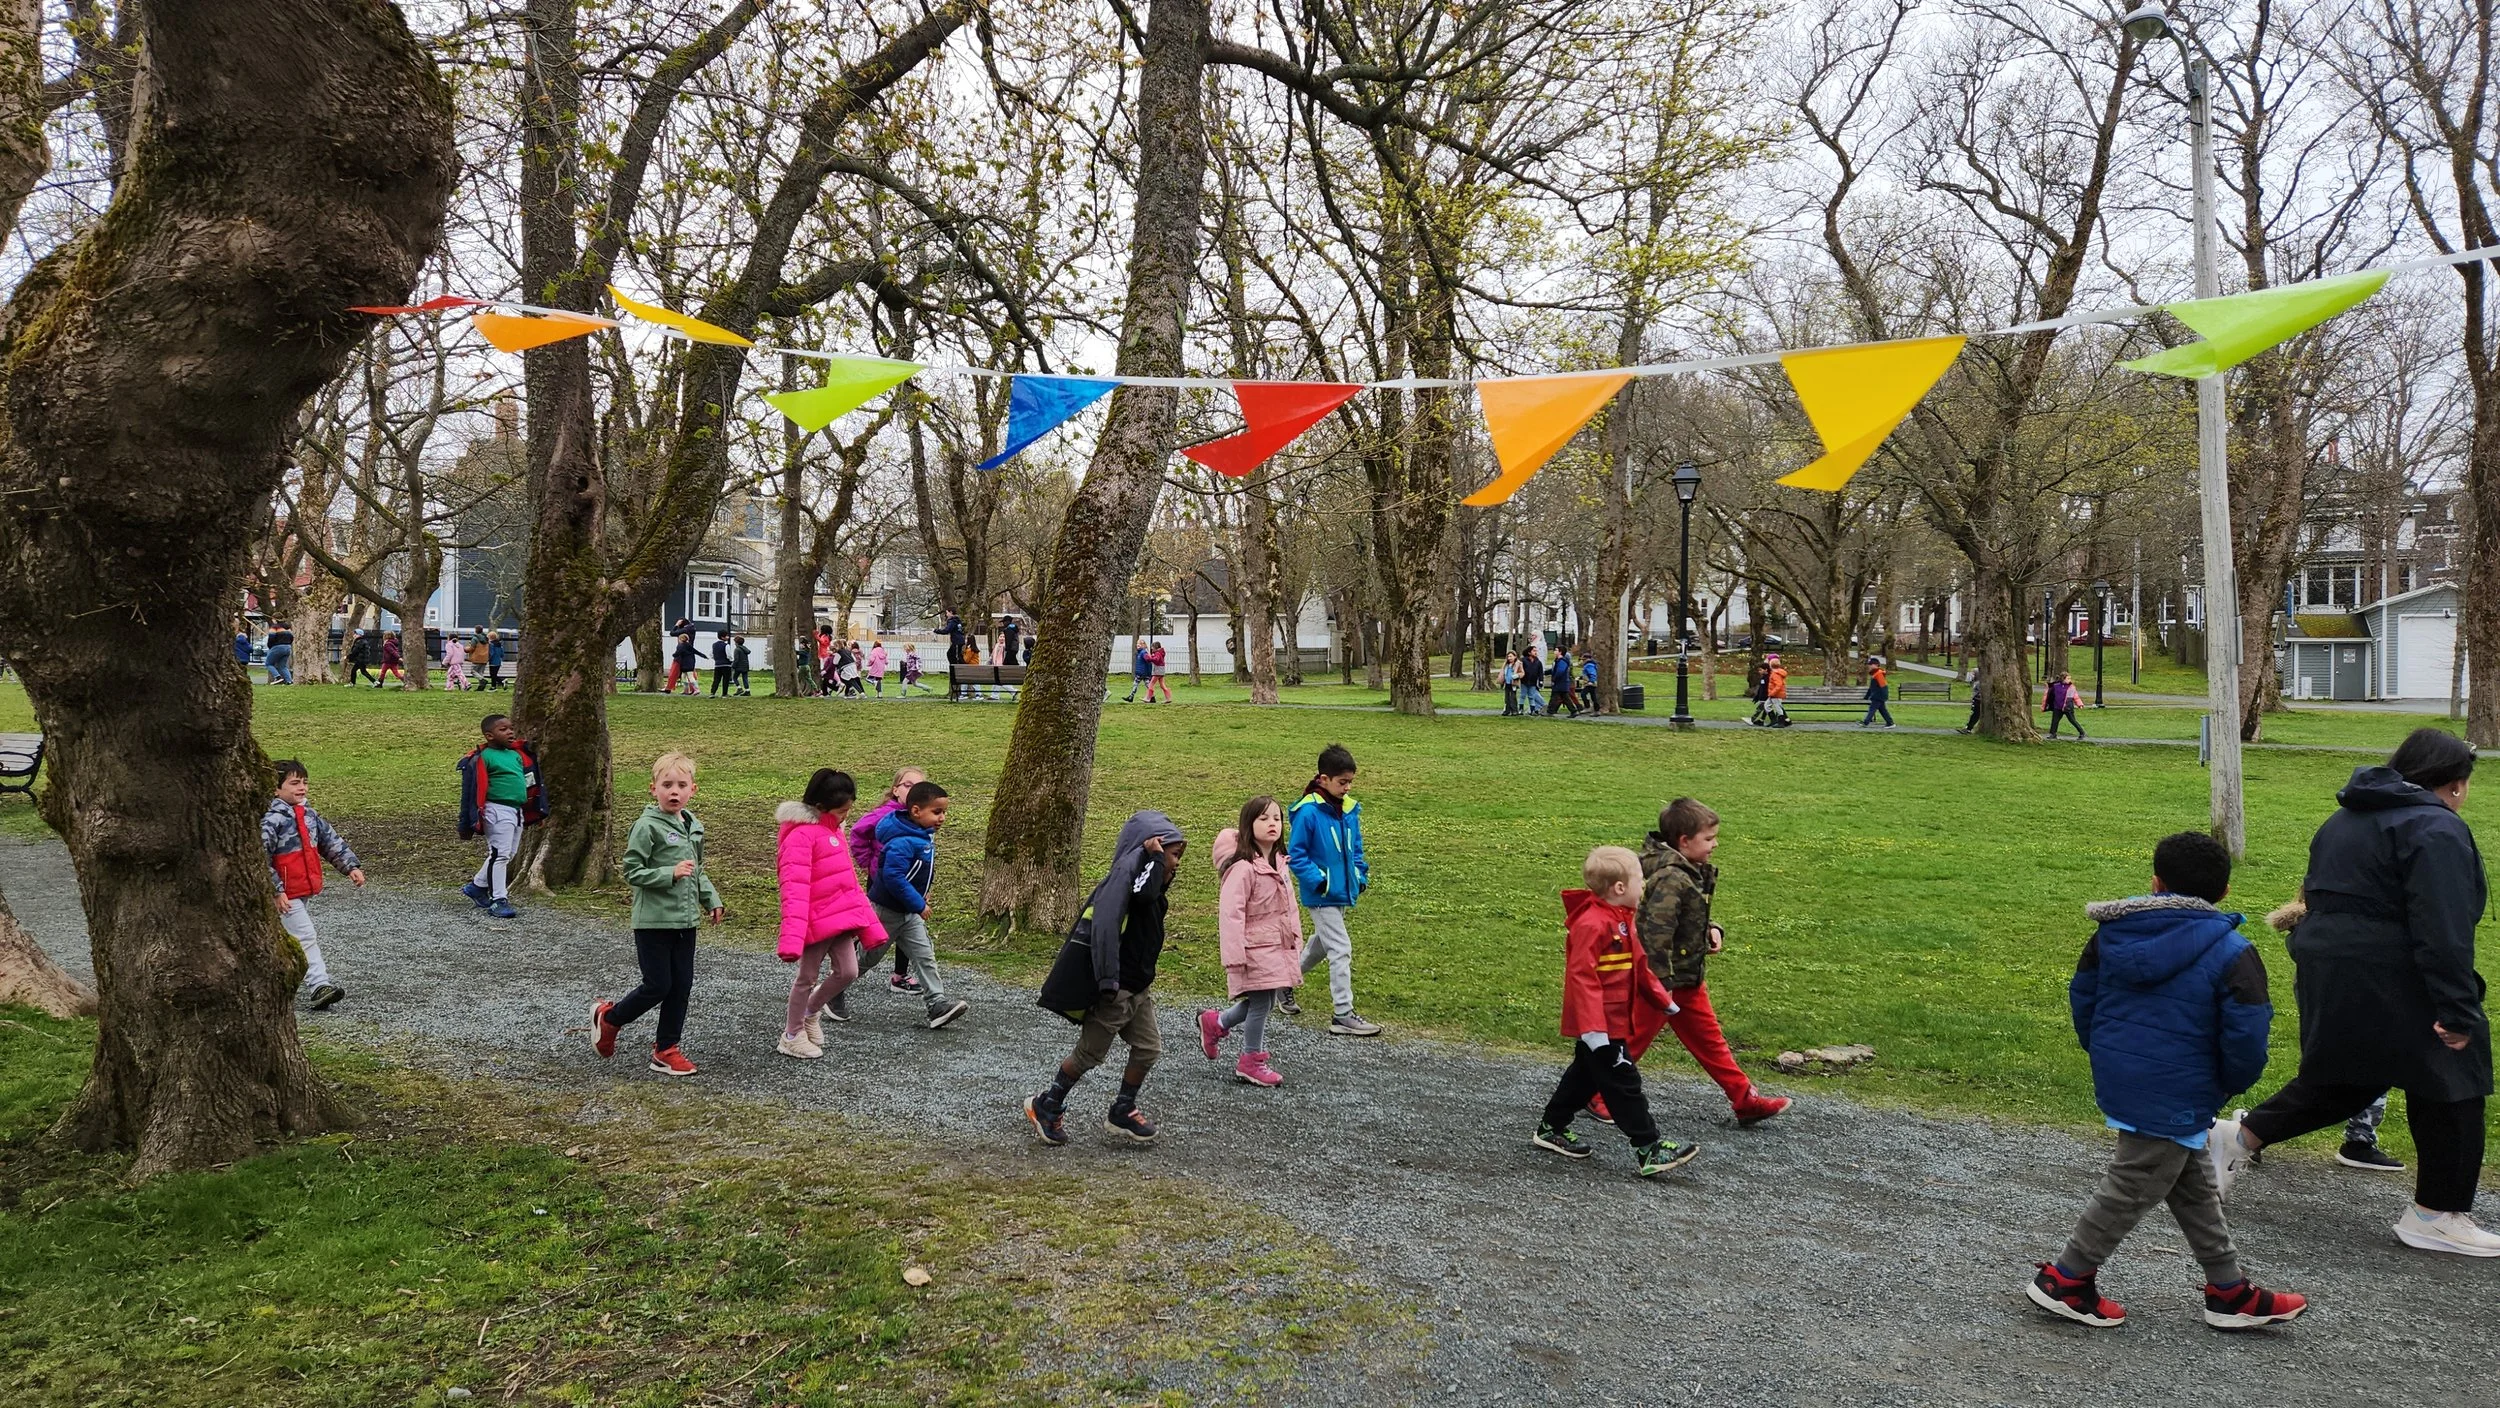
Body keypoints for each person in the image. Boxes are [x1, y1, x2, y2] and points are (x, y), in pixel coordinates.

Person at [2208, 729, 2499, 1256]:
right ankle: (2437, 1212)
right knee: (2455, 1079)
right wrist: (2458, 1007)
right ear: (2456, 784)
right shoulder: (2435, 827)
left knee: (2348, 1072)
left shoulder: (2345, 818)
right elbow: (2443, 924)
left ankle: (2241, 1138)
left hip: (2329, 962)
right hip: (2394, 968)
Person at [2025, 831, 2307, 1331]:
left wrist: (2111, 1055)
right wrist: (2227, 1084)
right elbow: (2247, 1037)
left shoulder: (2110, 933)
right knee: (2133, 1181)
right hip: (2183, 1086)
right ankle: (2065, 1280)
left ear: (2154, 882)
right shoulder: (2235, 952)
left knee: (2190, 1179)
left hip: (2124, 1073)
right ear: (2224, 893)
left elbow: (2083, 999)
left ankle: (2228, 1290)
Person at [1531, 845, 1700, 1177]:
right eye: (1640, 880)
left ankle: (1551, 1128)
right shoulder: (1592, 924)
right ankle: (1648, 1147)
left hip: (1613, 1023)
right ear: (1619, 888)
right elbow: (1582, 979)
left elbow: (1639, 966)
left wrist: (1661, 999)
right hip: (1602, 1027)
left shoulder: (1622, 920)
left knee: (1583, 1076)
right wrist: (1594, 1031)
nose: (1644, 886)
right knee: (1624, 1083)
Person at [1025, 811, 1187, 1145]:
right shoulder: (1128, 888)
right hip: (1115, 991)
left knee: (1148, 1048)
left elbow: (1149, 895)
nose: (1176, 863)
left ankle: (1122, 1110)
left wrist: (1159, 862)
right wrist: (1156, 856)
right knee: (1089, 1055)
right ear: (1148, 854)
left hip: (1138, 989)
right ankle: (1048, 1104)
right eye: (1173, 855)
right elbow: (1126, 911)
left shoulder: (1155, 894)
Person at [1636, 799, 1792, 1125]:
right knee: (1631, 1041)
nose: (1715, 844)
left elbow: (1685, 918)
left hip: (1686, 977)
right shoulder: (1671, 878)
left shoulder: (1685, 873)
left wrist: (1710, 930)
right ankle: (1594, 1096)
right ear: (1684, 841)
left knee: (1711, 1041)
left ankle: (1744, 1098)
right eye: (1708, 839)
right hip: (1663, 980)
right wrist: (1659, 985)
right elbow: (1655, 933)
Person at [590, 752, 725, 1077]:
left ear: (693, 789)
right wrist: (668, 873)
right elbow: (632, 871)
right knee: (658, 985)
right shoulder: (647, 826)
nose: (674, 791)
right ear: (653, 789)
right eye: (667, 785)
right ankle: (609, 1019)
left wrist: (711, 899)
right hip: (653, 921)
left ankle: (666, 1049)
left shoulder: (693, 825)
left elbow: (697, 870)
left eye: (681, 785)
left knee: (680, 987)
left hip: (685, 921)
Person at [775, 768, 888, 1059]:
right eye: (842, 811)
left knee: (848, 971)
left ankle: (811, 1012)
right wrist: (794, 933)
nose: (846, 816)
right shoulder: (801, 836)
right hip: (816, 921)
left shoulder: (832, 831)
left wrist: (866, 923)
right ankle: (791, 1034)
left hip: (841, 919)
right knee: (807, 977)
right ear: (821, 807)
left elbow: (847, 881)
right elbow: (794, 887)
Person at [1198, 796, 1303, 1087]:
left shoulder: (1280, 864)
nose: (1272, 824)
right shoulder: (1243, 868)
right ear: (1248, 825)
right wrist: (1234, 955)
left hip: (1275, 946)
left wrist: (1295, 941)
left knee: (1264, 1002)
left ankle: (1216, 1022)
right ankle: (1250, 1060)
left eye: (1277, 819)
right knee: (1261, 1003)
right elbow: (1231, 913)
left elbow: (1289, 909)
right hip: (1252, 948)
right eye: (1264, 819)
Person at [1284, 744, 1381, 1035]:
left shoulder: (1349, 809)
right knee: (1340, 947)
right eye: (1342, 782)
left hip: (1342, 890)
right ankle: (1343, 1013)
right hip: (1320, 895)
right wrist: (1320, 881)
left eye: (1350, 782)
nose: (1347, 788)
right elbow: (1295, 855)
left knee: (1321, 945)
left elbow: (1356, 849)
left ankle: (1283, 983)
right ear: (1323, 779)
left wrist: (1359, 876)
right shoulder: (1308, 812)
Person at [263, 759, 367, 1011]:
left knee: (286, 937)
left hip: (301, 888)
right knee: (305, 935)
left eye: (305, 782)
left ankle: (272, 979)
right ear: (276, 789)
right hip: (285, 893)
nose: (302, 788)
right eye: (294, 783)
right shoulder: (270, 820)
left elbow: (330, 842)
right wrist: (276, 889)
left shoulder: (309, 815)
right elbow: (259, 856)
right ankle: (319, 985)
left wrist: (350, 866)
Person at [868, 780, 971, 1029]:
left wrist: (921, 894)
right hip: (888, 912)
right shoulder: (902, 841)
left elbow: (914, 873)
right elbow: (893, 877)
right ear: (916, 811)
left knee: (924, 956)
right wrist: (918, 902)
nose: (942, 818)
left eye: (944, 812)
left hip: (908, 912)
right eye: (937, 812)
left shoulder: (920, 836)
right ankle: (830, 991)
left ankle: (937, 1004)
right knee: (866, 959)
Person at [851, 767, 930, 1000]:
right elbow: (857, 833)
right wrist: (870, 865)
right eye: (907, 785)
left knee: (907, 925)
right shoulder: (884, 814)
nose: (913, 790)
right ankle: (843, 970)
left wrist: (924, 887)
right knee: (882, 928)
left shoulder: (920, 818)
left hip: (911, 881)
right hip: (883, 881)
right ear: (896, 790)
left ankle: (900, 976)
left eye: (918, 787)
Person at [458, 713, 544, 919]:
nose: (510, 732)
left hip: (516, 809)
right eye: (503, 730)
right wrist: (468, 820)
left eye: (511, 728)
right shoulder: (484, 757)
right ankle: (498, 899)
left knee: (509, 853)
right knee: (499, 854)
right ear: (489, 735)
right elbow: (472, 789)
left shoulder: (516, 755)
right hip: (496, 809)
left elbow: (530, 780)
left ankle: (477, 886)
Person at [2044, 671, 2085, 739]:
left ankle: (2082, 732)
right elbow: (2050, 692)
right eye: (2068, 678)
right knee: (2055, 721)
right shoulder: (2056, 686)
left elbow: (2076, 696)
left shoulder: (2071, 687)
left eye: (2070, 678)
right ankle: (2053, 734)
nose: (2070, 680)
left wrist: (2079, 704)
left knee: (2072, 720)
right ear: (2063, 679)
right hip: (2057, 706)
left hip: (2067, 707)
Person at [1861, 655, 1893, 727]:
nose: (1869, 666)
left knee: (1872, 709)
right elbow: (1871, 687)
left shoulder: (1879, 674)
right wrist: (1867, 696)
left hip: (1878, 696)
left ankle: (1865, 722)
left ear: (1876, 665)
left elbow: (1883, 686)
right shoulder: (1875, 674)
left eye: (1870, 665)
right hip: (1877, 695)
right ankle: (1890, 723)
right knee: (1883, 710)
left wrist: (1879, 696)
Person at [1761, 654, 1790, 727]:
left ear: (1770, 665)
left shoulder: (1775, 674)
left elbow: (1778, 685)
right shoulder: (1775, 673)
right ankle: (1773, 720)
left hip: (1776, 694)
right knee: (1767, 706)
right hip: (1774, 694)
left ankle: (1781, 722)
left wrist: (1772, 693)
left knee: (1778, 708)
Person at [668, 629, 699, 696]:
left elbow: (677, 653)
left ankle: (696, 689)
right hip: (687, 663)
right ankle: (686, 690)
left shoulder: (682, 646)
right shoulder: (688, 646)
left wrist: (674, 655)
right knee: (683, 676)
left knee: (690, 676)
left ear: (681, 639)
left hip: (687, 664)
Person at [1520, 645, 1546, 716]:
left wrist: (1541, 681)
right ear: (1529, 652)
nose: (1536, 652)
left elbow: (1540, 673)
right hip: (1524, 681)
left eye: (1536, 651)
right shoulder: (1524, 660)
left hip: (1533, 682)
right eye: (1534, 651)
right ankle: (1521, 709)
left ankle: (1533, 709)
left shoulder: (1538, 662)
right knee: (1523, 695)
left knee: (1531, 696)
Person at [1959, 667, 1983, 733]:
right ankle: (1968, 727)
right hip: (1976, 700)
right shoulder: (1976, 682)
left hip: (1977, 701)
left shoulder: (1979, 683)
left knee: (1975, 715)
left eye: (1974, 674)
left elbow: (1979, 693)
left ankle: (1969, 728)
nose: (1972, 675)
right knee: (1974, 715)